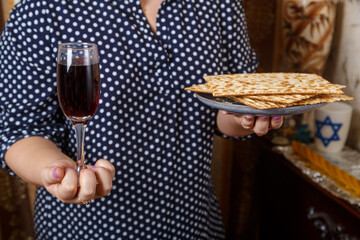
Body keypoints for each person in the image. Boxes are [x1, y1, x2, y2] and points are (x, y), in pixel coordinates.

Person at [0, 0, 283, 239]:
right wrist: (55, 170)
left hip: (194, 223)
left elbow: (226, 113)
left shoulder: (220, 4)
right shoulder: (43, 9)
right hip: (86, 228)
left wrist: (244, 115)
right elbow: (18, 129)